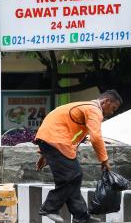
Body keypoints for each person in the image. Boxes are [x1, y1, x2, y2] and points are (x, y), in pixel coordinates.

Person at [34, 90, 123, 223]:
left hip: (53, 141)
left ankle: (81, 216)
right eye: (113, 108)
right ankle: (50, 208)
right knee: (74, 175)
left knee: (72, 178)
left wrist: (46, 154)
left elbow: (69, 132)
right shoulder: (94, 110)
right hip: (56, 140)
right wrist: (104, 160)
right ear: (106, 102)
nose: (112, 112)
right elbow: (96, 137)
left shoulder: (85, 106)